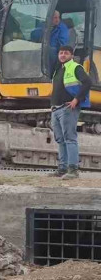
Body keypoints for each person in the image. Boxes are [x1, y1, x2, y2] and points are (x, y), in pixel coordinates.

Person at [48, 45, 92, 180]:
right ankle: (62, 169)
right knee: (60, 140)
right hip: (56, 109)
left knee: (70, 139)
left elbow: (87, 82)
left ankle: (73, 170)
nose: (62, 55)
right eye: (60, 53)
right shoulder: (58, 70)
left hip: (68, 108)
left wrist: (76, 100)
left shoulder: (76, 67)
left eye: (65, 53)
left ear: (71, 55)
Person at [32, 11, 69, 77]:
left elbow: (63, 43)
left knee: (49, 51)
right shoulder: (42, 25)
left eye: (58, 17)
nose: (57, 20)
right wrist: (44, 29)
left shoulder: (62, 28)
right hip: (42, 47)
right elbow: (34, 35)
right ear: (49, 18)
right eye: (55, 18)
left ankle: (48, 75)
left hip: (56, 50)